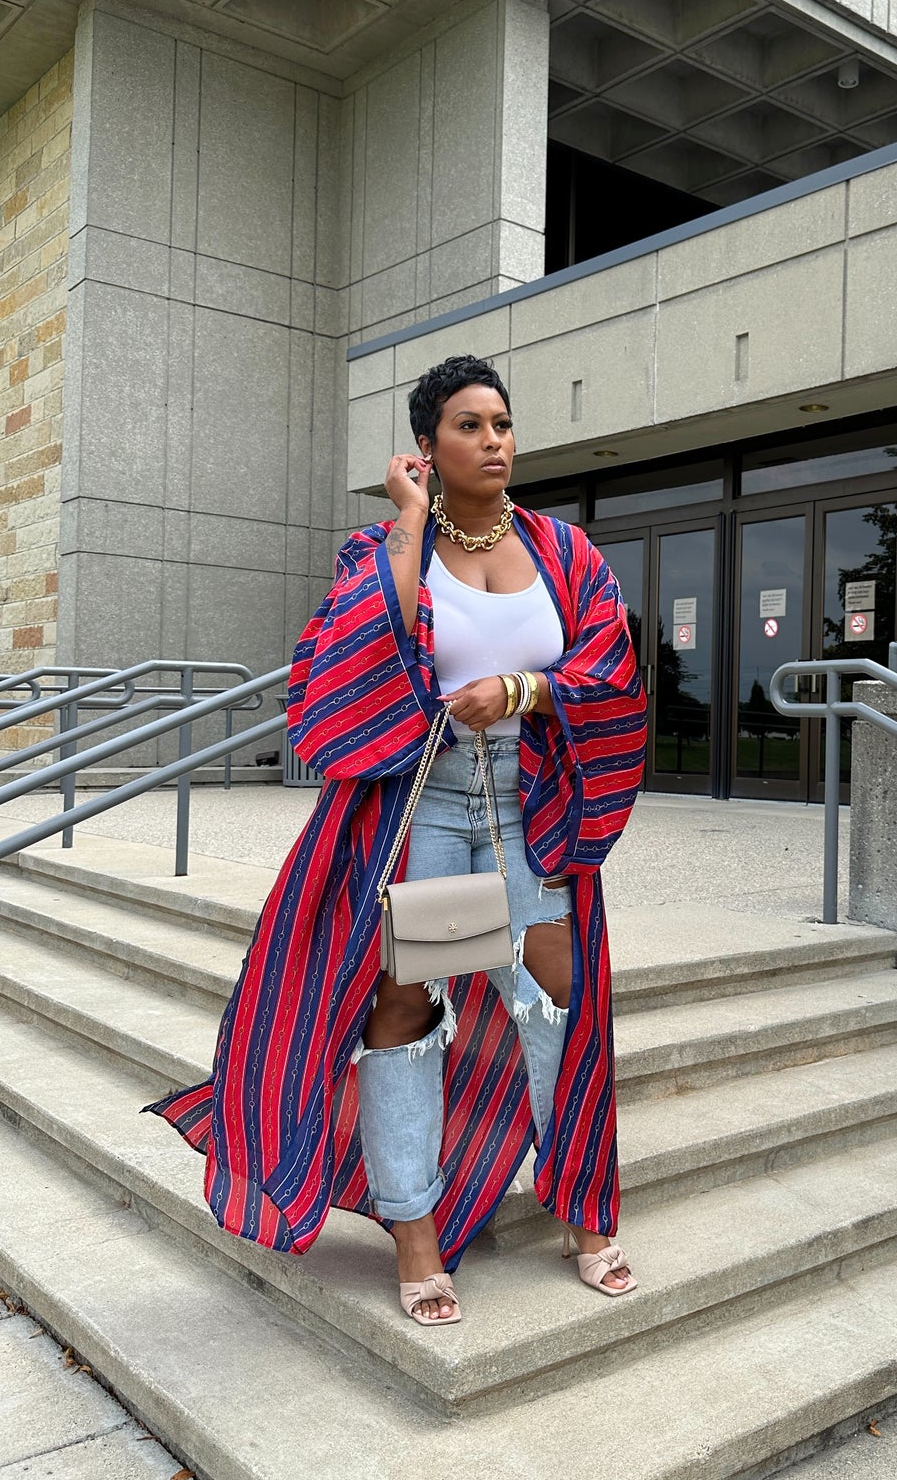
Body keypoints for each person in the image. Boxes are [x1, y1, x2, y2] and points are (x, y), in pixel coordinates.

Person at [144, 353, 647, 1327]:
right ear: (427, 446)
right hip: (432, 808)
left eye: (501, 422)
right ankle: (413, 1228)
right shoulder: (380, 547)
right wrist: (412, 523)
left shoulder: (563, 552)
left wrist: (525, 689)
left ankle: (582, 1205)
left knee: (555, 999)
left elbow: (608, 666)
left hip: (530, 804)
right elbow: (355, 656)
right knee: (408, 1007)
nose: (493, 439)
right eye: (468, 425)